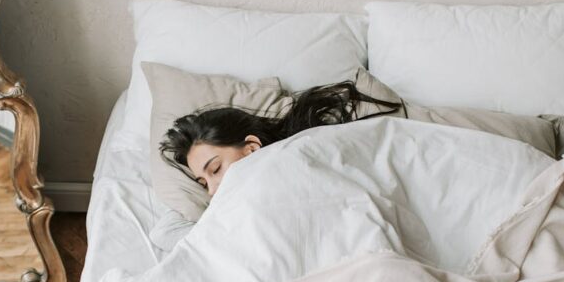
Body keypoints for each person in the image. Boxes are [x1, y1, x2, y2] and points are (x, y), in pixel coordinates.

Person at [160, 80, 405, 196]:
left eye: (215, 169)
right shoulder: (232, 207)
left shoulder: (303, 151)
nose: (212, 191)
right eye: (203, 184)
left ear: (251, 148)